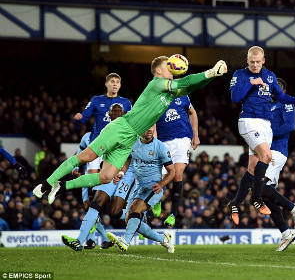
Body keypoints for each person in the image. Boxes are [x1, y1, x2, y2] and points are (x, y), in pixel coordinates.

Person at [33, 57, 227, 203]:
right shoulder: (156, 84)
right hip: (121, 128)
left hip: (131, 138)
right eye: (168, 66)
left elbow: (190, 86)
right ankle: (47, 183)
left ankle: (61, 185)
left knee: (106, 177)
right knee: (86, 157)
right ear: (158, 71)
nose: (172, 68)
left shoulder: (168, 92)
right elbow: (183, 83)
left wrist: (214, 75)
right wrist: (210, 71)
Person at [229, 46, 295, 215]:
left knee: (252, 168)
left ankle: (235, 202)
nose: (255, 65)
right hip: (249, 120)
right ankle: (257, 199)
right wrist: (251, 83)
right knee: (266, 156)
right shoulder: (240, 75)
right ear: (247, 60)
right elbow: (235, 98)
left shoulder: (270, 76)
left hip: (265, 124)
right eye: (252, 62)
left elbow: (280, 96)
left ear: (264, 61)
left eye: (258, 62)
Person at [229, 78, 295, 251]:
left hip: (276, 151)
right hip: (264, 151)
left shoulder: (285, 104)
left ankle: (293, 207)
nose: (269, 92)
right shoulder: (264, 107)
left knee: (258, 188)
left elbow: (290, 126)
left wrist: (266, 133)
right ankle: (286, 233)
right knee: (266, 195)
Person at [61, 104, 133, 250]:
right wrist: (75, 167)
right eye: (114, 112)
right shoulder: (101, 133)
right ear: (109, 115)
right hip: (107, 173)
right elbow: (83, 154)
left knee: (115, 212)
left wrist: (121, 172)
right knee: (96, 203)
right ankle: (80, 241)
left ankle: (138, 216)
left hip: (124, 174)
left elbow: (129, 158)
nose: (117, 114)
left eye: (120, 111)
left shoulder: (128, 130)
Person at [107, 126, 176, 253]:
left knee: (135, 209)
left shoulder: (159, 147)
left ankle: (125, 241)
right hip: (138, 187)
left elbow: (172, 172)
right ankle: (163, 239)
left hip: (154, 187)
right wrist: (121, 173)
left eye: (152, 129)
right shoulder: (133, 143)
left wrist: (161, 184)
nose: (149, 131)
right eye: (147, 128)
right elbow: (127, 161)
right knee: (131, 219)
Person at [73, 73, 132, 175]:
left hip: (114, 144)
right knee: (92, 176)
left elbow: (132, 121)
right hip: (97, 142)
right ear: (106, 84)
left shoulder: (126, 102)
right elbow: (85, 116)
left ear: (120, 85)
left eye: (117, 82)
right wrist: (79, 118)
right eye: (112, 82)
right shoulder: (96, 100)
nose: (115, 84)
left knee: (110, 177)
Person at [155, 95, 200, 228]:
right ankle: (157, 201)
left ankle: (173, 214)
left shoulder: (183, 95)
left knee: (177, 175)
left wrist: (195, 135)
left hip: (182, 139)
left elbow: (193, 113)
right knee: (161, 177)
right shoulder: (156, 97)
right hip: (163, 141)